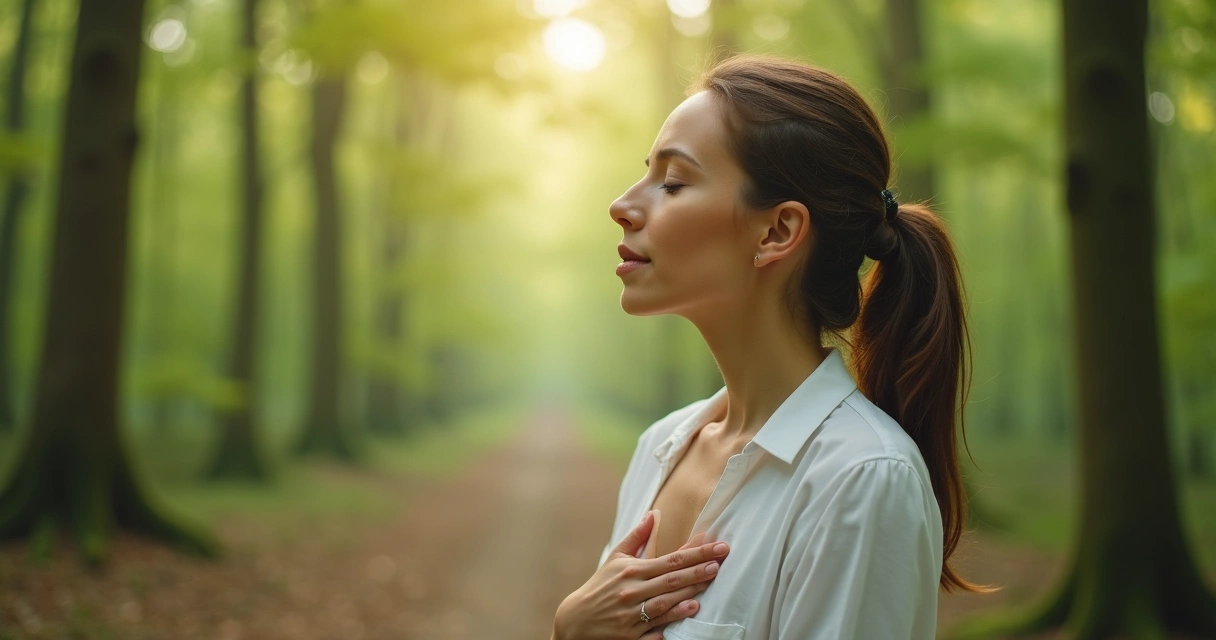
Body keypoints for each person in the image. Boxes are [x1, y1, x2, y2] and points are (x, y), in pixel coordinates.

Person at [550, 53, 991, 640]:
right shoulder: (660, 447)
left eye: (673, 182)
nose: (623, 206)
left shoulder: (860, 480)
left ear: (777, 231)